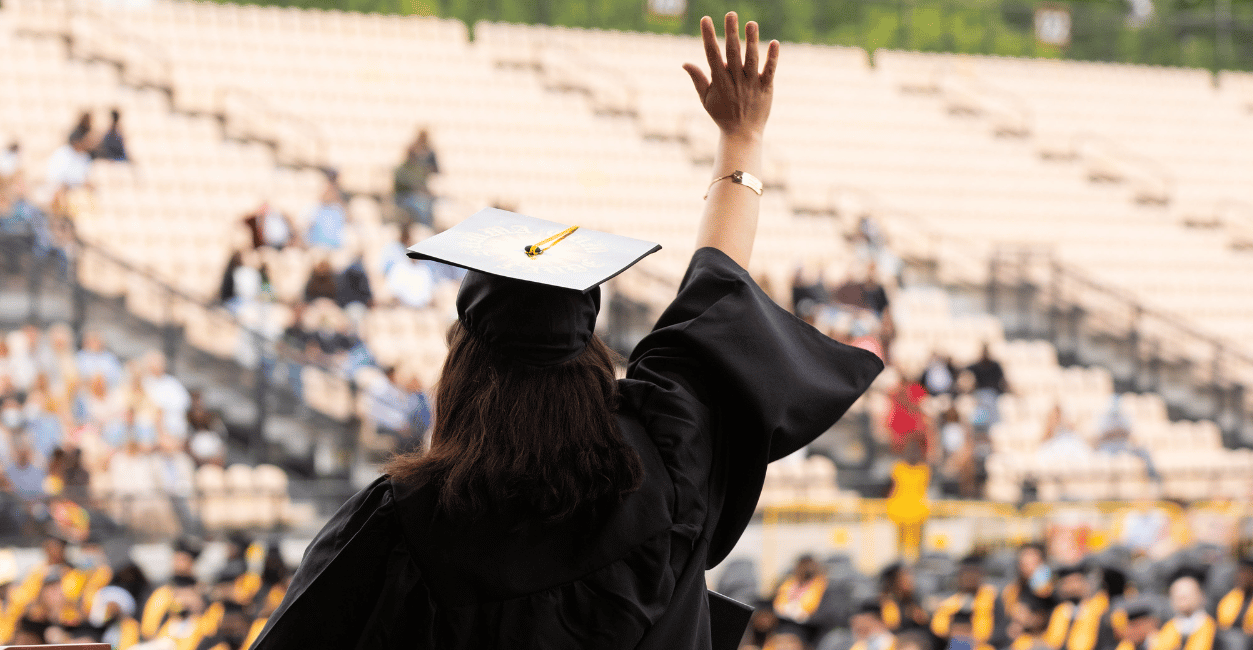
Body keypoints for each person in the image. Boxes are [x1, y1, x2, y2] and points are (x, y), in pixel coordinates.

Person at [255, 15, 880, 647]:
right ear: (589, 361)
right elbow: (717, 297)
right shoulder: (664, 460)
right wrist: (741, 139)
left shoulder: (405, 523)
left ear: (462, 378)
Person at [932, 555, 1009, 649]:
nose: (969, 578)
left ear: (980, 575)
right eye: (966, 573)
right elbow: (938, 628)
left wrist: (976, 637)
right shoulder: (952, 601)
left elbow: (1001, 630)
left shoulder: (992, 597)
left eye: (973, 573)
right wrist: (955, 631)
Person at [1216, 556, 1253, 634]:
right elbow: (1222, 624)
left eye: (1246, 573)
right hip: (1233, 639)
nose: (1241, 577)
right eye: (1239, 573)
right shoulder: (1231, 597)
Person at [391, 129, 439, 227]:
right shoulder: (401, 169)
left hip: (417, 197)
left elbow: (422, 184)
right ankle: (424, 227)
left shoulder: (418, 169)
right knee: (421, 206)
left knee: (431, 203)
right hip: (404, 198)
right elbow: (410, 184)